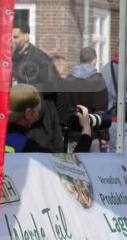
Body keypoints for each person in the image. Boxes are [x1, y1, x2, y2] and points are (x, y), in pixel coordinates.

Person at [12, 20, 66, 148]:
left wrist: (29, 89)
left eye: (15, 37)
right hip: (23, 118)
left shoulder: (39, 58)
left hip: (41, 121)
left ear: (26, 36)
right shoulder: (15, 57)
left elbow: (55, 85)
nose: (11, 40)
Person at [6, 85, 92, 153]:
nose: (37, 116)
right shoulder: (28, 147)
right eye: (38, 112)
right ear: (28, 113)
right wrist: (86, 130)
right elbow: (72, 169)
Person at [64, 46, 109, 151]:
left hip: (71, 133)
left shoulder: (67, 80)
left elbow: (63, 107)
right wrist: (104, 135)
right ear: (95, 60)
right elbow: (101, 110)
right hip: (91, 135)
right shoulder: (98, 81)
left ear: (80, 60)